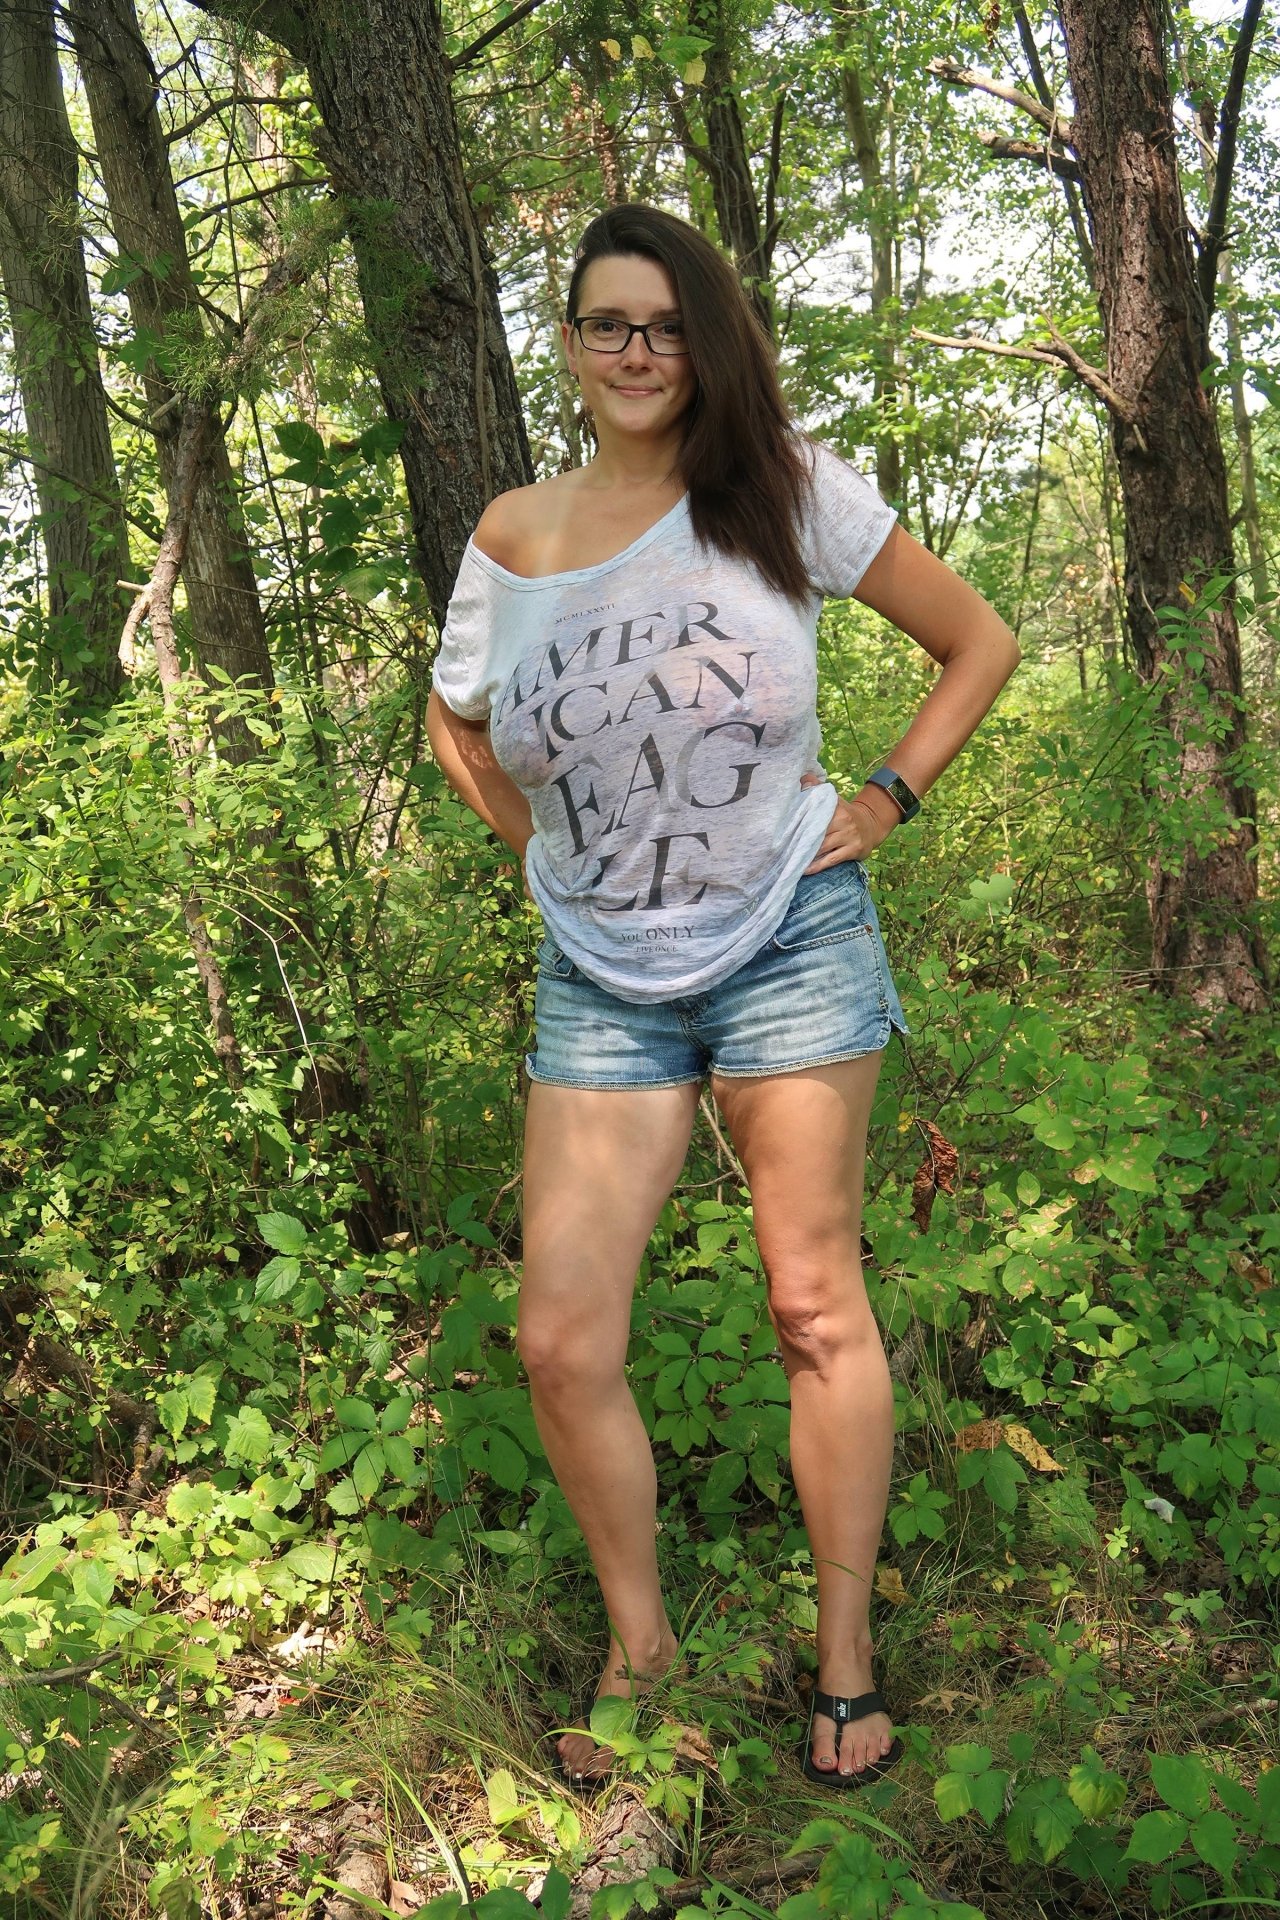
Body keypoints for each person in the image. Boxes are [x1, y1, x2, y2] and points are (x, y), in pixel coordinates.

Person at [425, 203, 1019, 1792]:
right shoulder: (514, 535)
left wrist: (885, 798)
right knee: (562, 1339)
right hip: (599, 980)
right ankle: (645, 1656)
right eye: (607, 324)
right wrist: (544, 854)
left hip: (789, 946)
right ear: (569, 343)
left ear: (706, 339)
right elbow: (456, 721)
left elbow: (977, 640)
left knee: (815, 1308)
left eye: (667, 324)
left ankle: (843, 1659)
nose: (638, 352)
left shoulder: (779, 488)